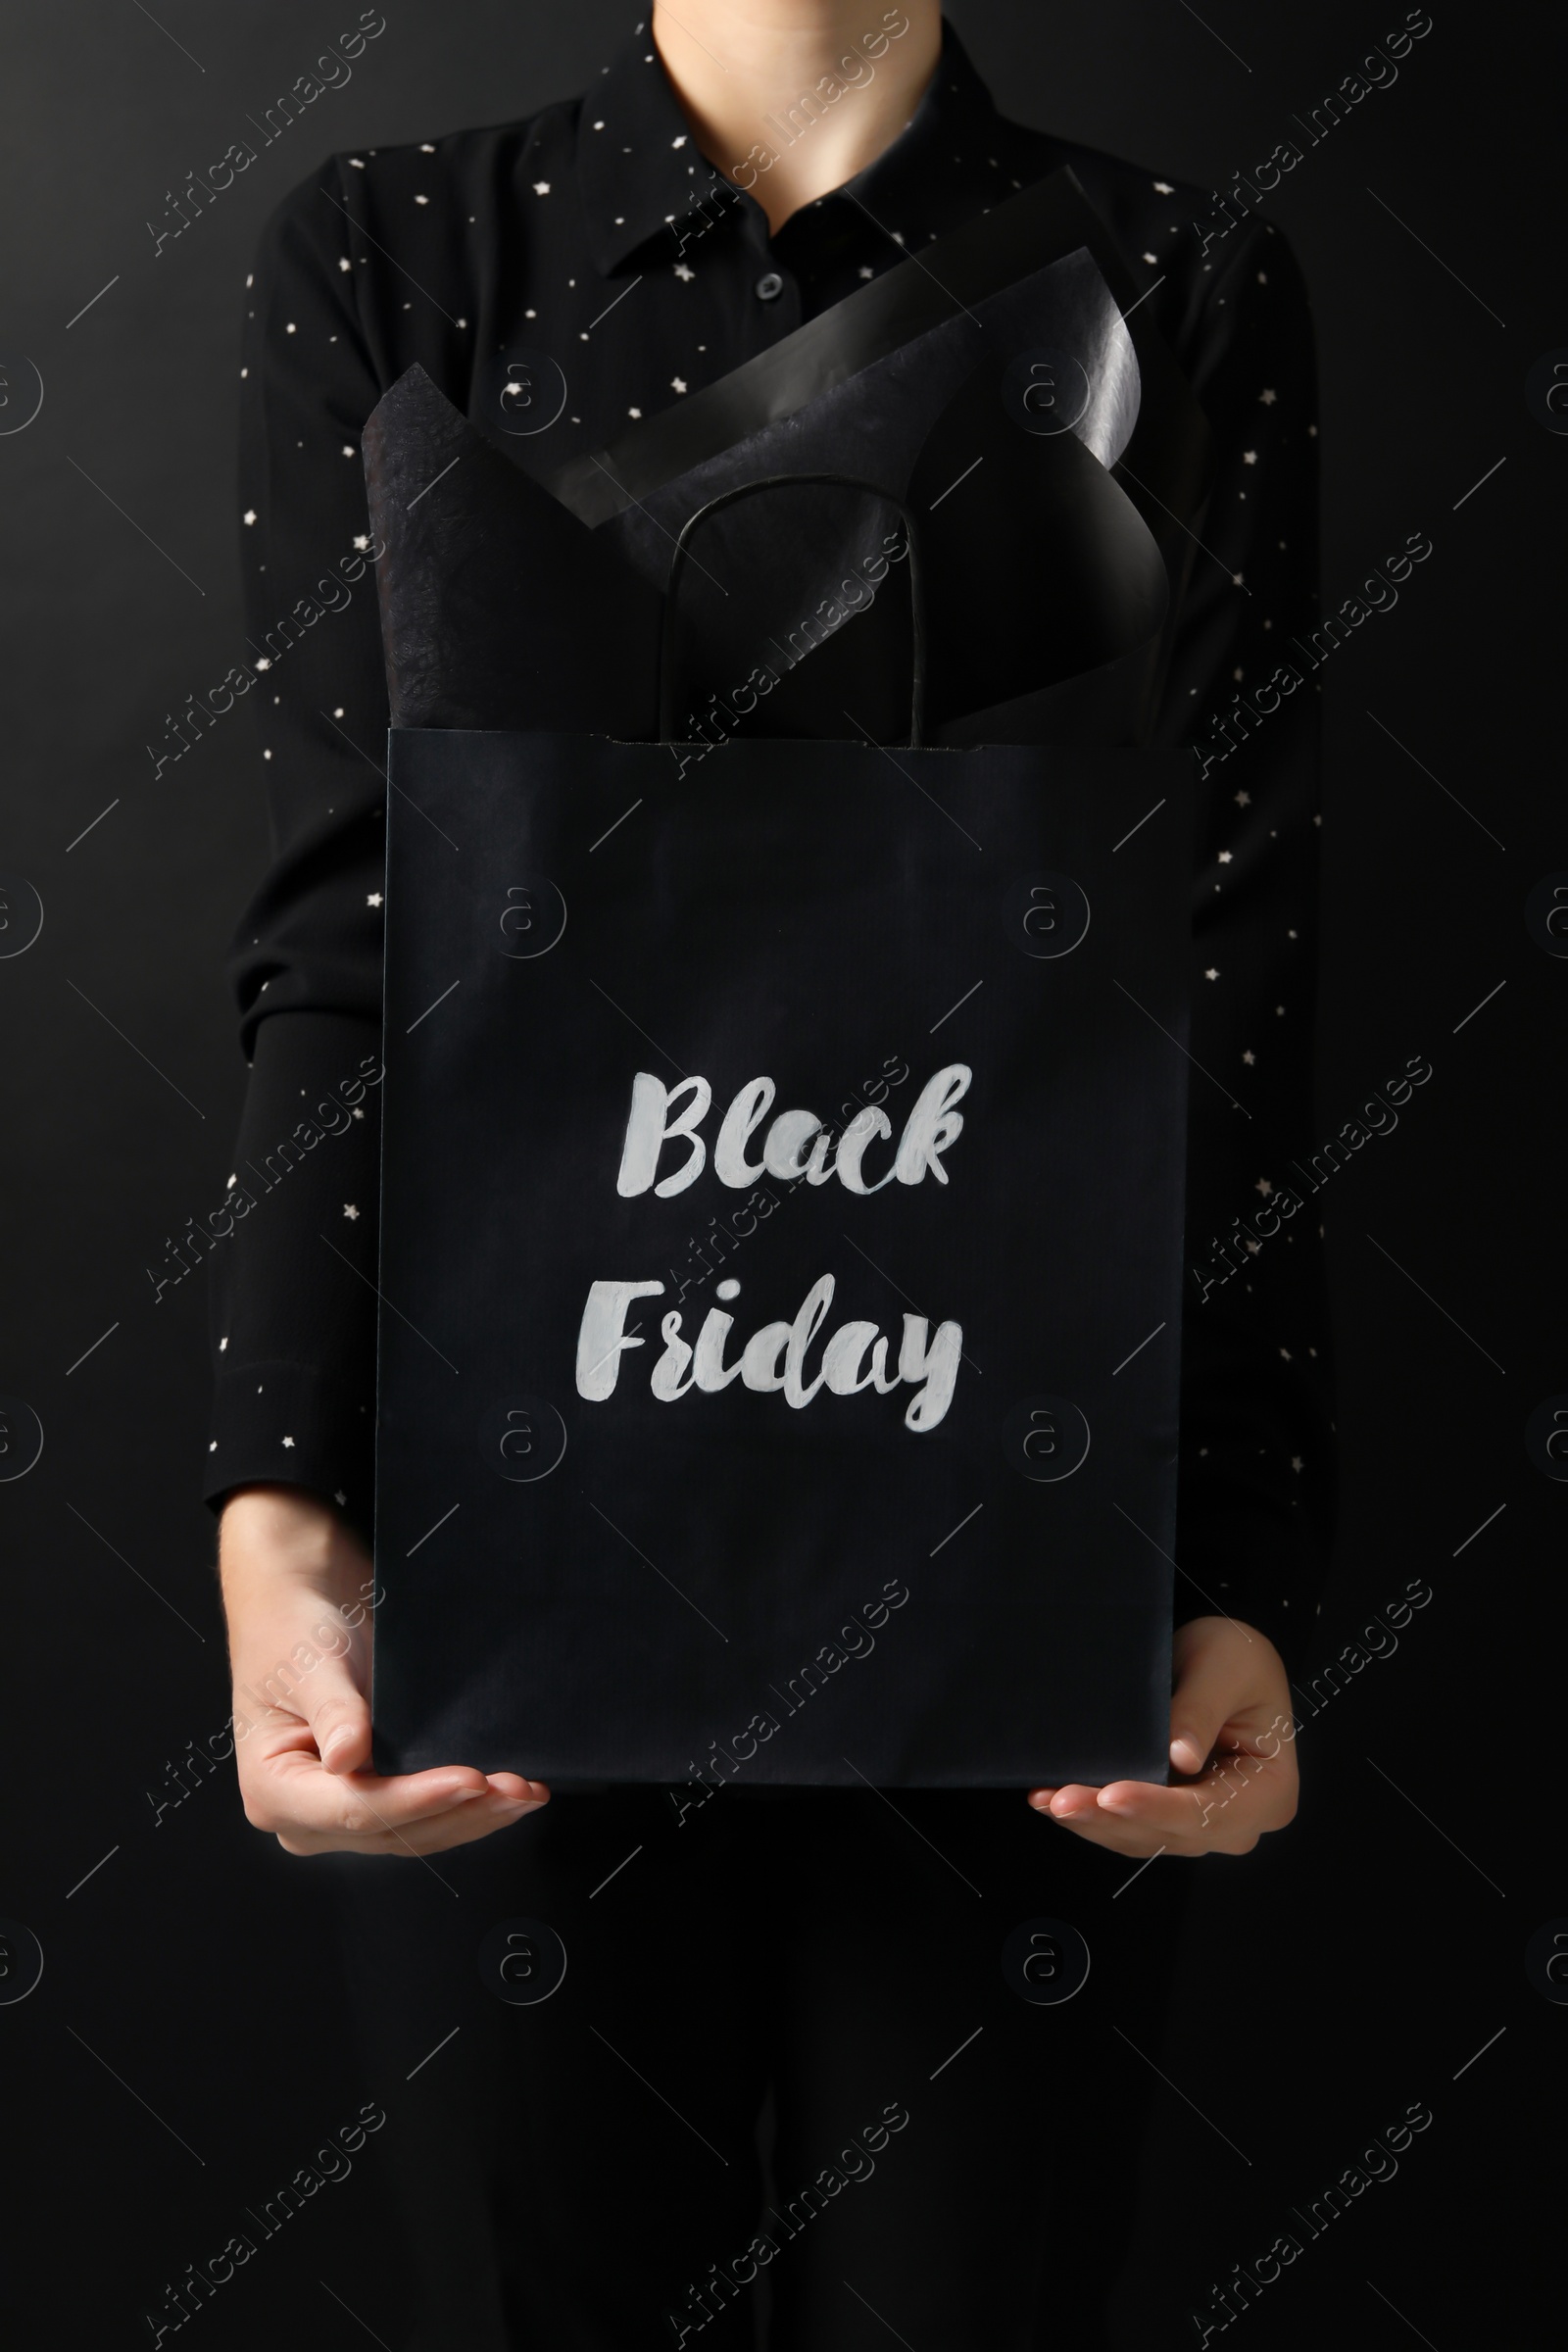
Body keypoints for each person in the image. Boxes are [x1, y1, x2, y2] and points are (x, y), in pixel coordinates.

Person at [212, 5, 1333, 2343]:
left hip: (1013, 1580)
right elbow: (345, 932)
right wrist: (278, 1514)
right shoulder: (396, 253)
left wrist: (1230, 1555)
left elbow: (1218, 962)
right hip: (504, 1578)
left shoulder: (1170, 274)